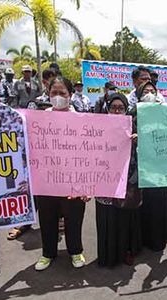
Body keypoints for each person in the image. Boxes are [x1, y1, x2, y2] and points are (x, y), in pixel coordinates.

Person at [34, 76, 89, 271]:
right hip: (46, 181)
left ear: (71, 95)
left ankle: (75, 251)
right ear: (48, 95)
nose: (57, 97)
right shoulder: (38, 120)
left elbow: (91, 153)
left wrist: (87, 184)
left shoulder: (82, 120)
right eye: (53, 93)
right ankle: (47, 253)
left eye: (62, 93)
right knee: (47, 218)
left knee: (74, 218)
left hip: (74, 181)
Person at [95, 93, 142, 267]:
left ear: (126, 110)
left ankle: (126, 252)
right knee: (106, 218)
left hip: (126, 184)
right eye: (113, 108)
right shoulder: (97, 130)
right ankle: (108, 255)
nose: (116, 111)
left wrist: (138, 142)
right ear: (107, 109)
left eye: (120, 108)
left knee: (123, 219)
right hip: (104, 183)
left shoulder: (133, 130)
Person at [130, 81, 167, 251]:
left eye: (152, 91)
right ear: (139, 95)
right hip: (140, 167)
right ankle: (141, 240)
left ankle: (158, 239)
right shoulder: (132, 114)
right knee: (141, 202)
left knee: (157, 202)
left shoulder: (164, 114)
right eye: (145, 91)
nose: (149, 93)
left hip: (159, 166)